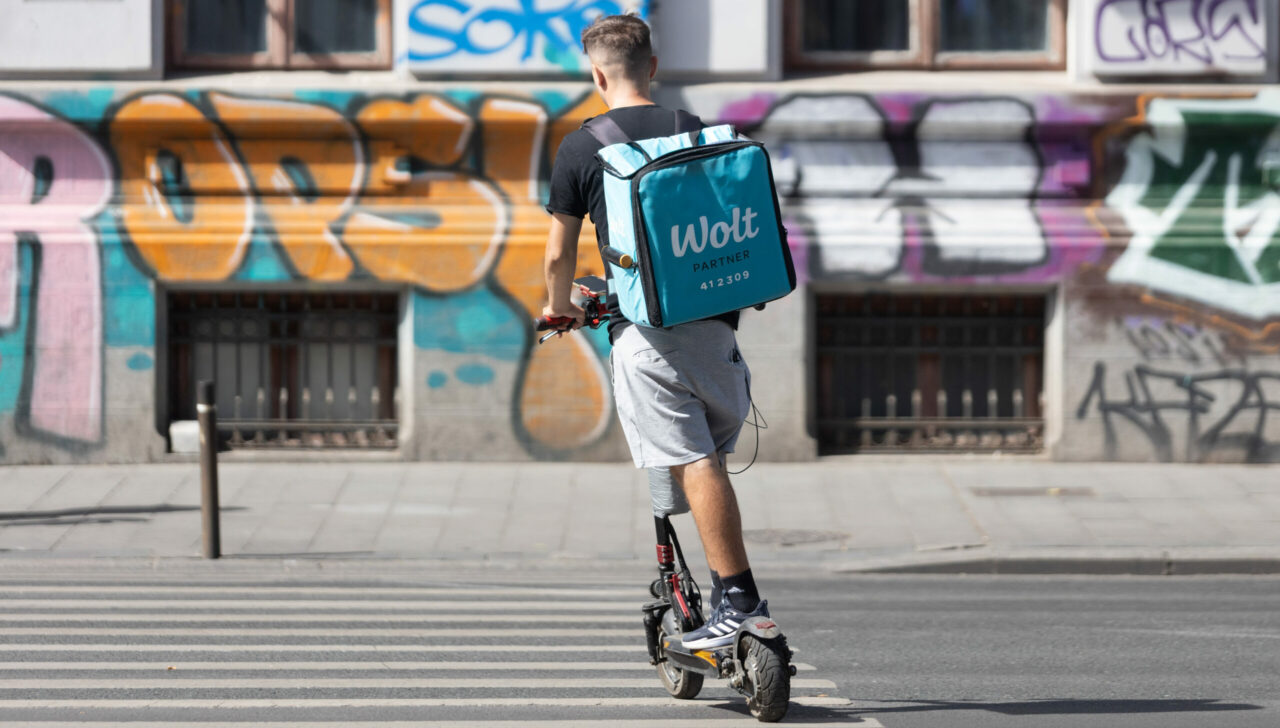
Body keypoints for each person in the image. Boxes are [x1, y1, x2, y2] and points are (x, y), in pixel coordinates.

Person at [541, 13, 768, 651]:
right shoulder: (697, 132)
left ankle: (740, 602)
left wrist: (558, 308)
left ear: (596, 75)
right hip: (717, 328)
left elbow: (558, 255)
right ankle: (723, 601)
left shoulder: (582, 147)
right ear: (655, 67)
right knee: (706, 462)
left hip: (648, 335)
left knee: (694, 462)